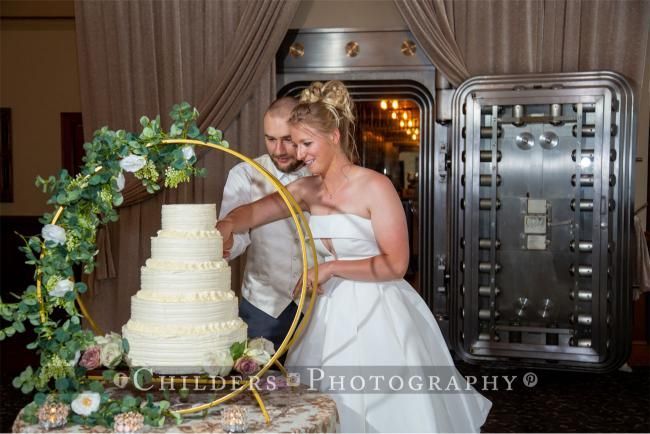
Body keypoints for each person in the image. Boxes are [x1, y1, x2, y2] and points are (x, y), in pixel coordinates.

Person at [217, 81, 492, 432]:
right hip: (328, 315)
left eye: (306, 143)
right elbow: (252, 214)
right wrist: (227, 223)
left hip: (380, 313)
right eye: (295, 144)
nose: (299, 154)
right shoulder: (305, 190)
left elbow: (396, 264)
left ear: (333, 136)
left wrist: (331, 267)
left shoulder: (375, 186)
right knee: (326, 407)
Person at [218, 96, 311, 351]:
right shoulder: (244, 174)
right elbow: (237, 235)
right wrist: (225, 244)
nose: (278, 150)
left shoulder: (323, 172)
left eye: (287, 140)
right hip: (264, 307)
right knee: (262, 386)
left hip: (319, 306)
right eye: (270, 139)